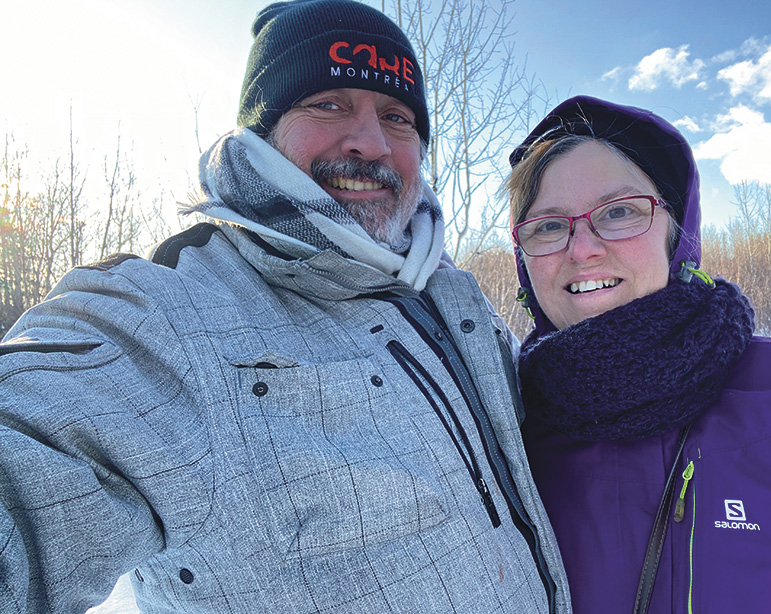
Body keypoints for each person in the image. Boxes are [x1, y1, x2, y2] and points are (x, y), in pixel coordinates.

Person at [0, 2, 572, 612]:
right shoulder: (173, 315)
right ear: (263, 129)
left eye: (397, 117)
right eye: (328, 104)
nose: (371, 142)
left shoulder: (454, 295)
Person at [506, 95, 771, 613]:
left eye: (620, 211)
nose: (582, 248)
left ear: (677, 232)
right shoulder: (503, 439)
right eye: (549, 225)